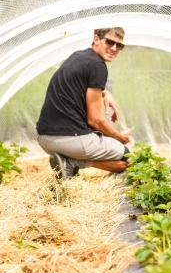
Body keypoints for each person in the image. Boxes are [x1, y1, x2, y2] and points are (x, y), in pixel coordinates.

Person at [36, 27, 132, 179]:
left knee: (104, 142)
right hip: (70, 140)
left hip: (45, 138)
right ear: (96, 39)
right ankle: (73, 162)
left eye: (119, 45)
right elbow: (95, 120)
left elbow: (78, 87)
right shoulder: (98, 65)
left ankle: (69, 160)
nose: (114, 48)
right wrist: (120, 137)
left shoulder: (77, 56)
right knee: (128, 158)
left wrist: (105, 93)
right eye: (110, 42)